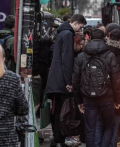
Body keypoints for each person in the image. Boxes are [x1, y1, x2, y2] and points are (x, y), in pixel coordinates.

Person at [72, 29, 120, 147]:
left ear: (89, 38)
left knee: (90, 128)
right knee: (109, 126)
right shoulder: (110, 56)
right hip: (107, 97)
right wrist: (118, 99)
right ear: (104, 38)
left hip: (88, 97)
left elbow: (75, 80)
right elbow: (117, 80)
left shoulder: (81, 56)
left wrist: (78, 100)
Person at [46, 14, 86, 147]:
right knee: (64, 112)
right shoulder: (68, 35)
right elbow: (67, 60)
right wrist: (69, 82)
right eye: (79, 27)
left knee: (58, 111)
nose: (79, 31)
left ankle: (57, 139)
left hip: (55, 78)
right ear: (75, 23)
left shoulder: (61, 33)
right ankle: (60, 139)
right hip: (61, 80)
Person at [95, 28, 120, 147]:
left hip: (100, 94)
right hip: (117, 96)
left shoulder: (102, 52)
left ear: (109, 37)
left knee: (100, 124)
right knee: (114, 125)